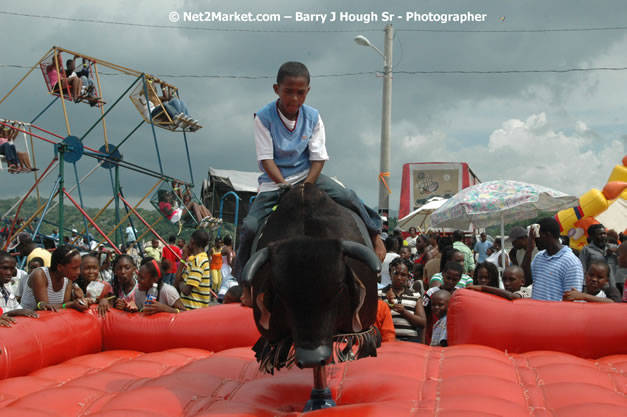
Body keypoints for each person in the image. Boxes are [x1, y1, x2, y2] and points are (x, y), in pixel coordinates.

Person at [232, 61, 385, 281]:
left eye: (300, 93)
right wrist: (284, 186)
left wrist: (306, 186)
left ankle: (375, 235)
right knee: (250, 226)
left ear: (308, 92)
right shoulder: (263, 117)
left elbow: (318, 158)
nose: (294, 98)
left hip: (308, 176)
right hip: (275, 182)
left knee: (347, 196)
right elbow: (266, 159)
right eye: (288, 92)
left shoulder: (313, 117)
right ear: (277, 89)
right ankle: (243, 280)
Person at [20, 245, 89, 312]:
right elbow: (45, 308)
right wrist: (72, 304)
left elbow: (65, 305)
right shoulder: (40, 275)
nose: (78, 272)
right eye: (74, 268)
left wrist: (78, 301)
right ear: (60, 267)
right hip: (27, 320)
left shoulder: (68, 278)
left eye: (79, 267)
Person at [530, 218, 584, 301]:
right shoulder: (539, 257)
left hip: (555, 313)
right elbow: (526, 281)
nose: (534, 240)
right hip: (536, 312)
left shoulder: (571, 263)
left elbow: (572, 300)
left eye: (537, 236)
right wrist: (529, 249)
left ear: (547, 235)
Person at [380, 258, 426, 342]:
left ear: (408, 276)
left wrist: (404, 312)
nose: (398, 278)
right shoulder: (380, 293)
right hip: (386, 341)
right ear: (390, 274)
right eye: (395, 273)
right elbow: (374, 319)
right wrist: (388, 304)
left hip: (410, 341)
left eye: (403, 275)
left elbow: (422, 323)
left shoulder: (415, 295)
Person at [175, 229, 213, 309]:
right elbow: (176, 284)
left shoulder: (198, 261)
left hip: (193, 312)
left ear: (192, 241)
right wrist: (182, 260)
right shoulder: (194, 260)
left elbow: (186, 291)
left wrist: (181, 283)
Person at [0, 251, 39, 327]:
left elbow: (19, 310)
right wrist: (14, 312)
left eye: (12, 269)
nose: (9, 273)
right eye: (5, 268)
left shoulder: (8, 294)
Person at [579, 224, 617, 288]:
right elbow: (582, 269)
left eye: (604, 233)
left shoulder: (613, 248)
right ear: (592, 236)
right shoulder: (586, 250)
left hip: (612, 286)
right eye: (600, 234)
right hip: (595, 288)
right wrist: (584, 285)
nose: (603, 236)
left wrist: (617, 250)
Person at [467, 265, 531, 300]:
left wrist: (482, 287)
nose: (507, 283)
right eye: (504, 279)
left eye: (511, 279)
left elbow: (512, 296)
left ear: (522, 282)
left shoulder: (523, 294)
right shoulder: (503, 294)